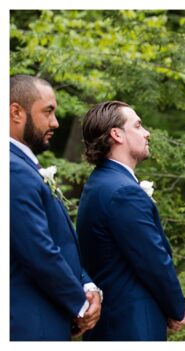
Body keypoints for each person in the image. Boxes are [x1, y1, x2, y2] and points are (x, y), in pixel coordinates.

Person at [77, 101, 185, 340]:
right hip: (132, 324)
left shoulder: (100, 182)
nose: (146, 133)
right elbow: (152, 260)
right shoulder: (122, 192)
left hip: (113, 321)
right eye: (138, 125)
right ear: (116, 134)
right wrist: (176, 308)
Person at [9, 74, 102, 340]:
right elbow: (37, 249)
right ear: (16, 112)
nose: (55, 122)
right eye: (48, 112)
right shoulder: (12, 169)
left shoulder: (26, 166)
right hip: (30, 323)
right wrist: (80, 304)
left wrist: (88, 284)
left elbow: (62, 241)